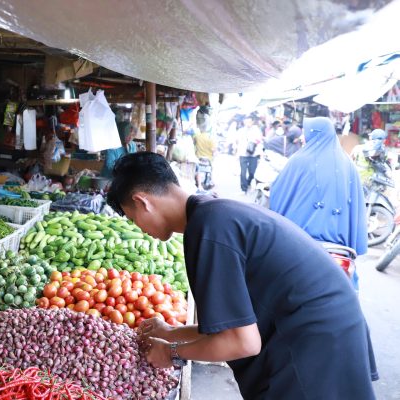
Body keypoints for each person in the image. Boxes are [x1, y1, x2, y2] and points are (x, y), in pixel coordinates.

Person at [106, 152, 378, 400]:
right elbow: (231, 324)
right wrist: (173, 332)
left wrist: (171, 352)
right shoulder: (212, 214)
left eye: (132, 219)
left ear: (142, 202)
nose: (140, 229)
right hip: (328, 328)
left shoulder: (209, 229)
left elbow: (242, 342)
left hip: (315, 344)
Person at [270, 117, 367, 290]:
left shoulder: (299, 160)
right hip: (340, 248)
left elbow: (278, 193)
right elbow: (358, 205)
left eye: (306, 133)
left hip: (299, 240)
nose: (303, 138)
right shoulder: (348, 165)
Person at [236, 116, 263, 193]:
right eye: (246, 122)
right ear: (244, 122)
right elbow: (237, 142)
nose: (248, 123)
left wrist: (255, 144)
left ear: (252, 122)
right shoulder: (240, 131)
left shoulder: (257, 130)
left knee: (252, 172)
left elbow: (260, 141)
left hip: (253, 155)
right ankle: (243, 189)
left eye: (249, 122)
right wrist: (237, 154)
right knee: (243, 172)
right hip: (242, 154)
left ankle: (248, 182)